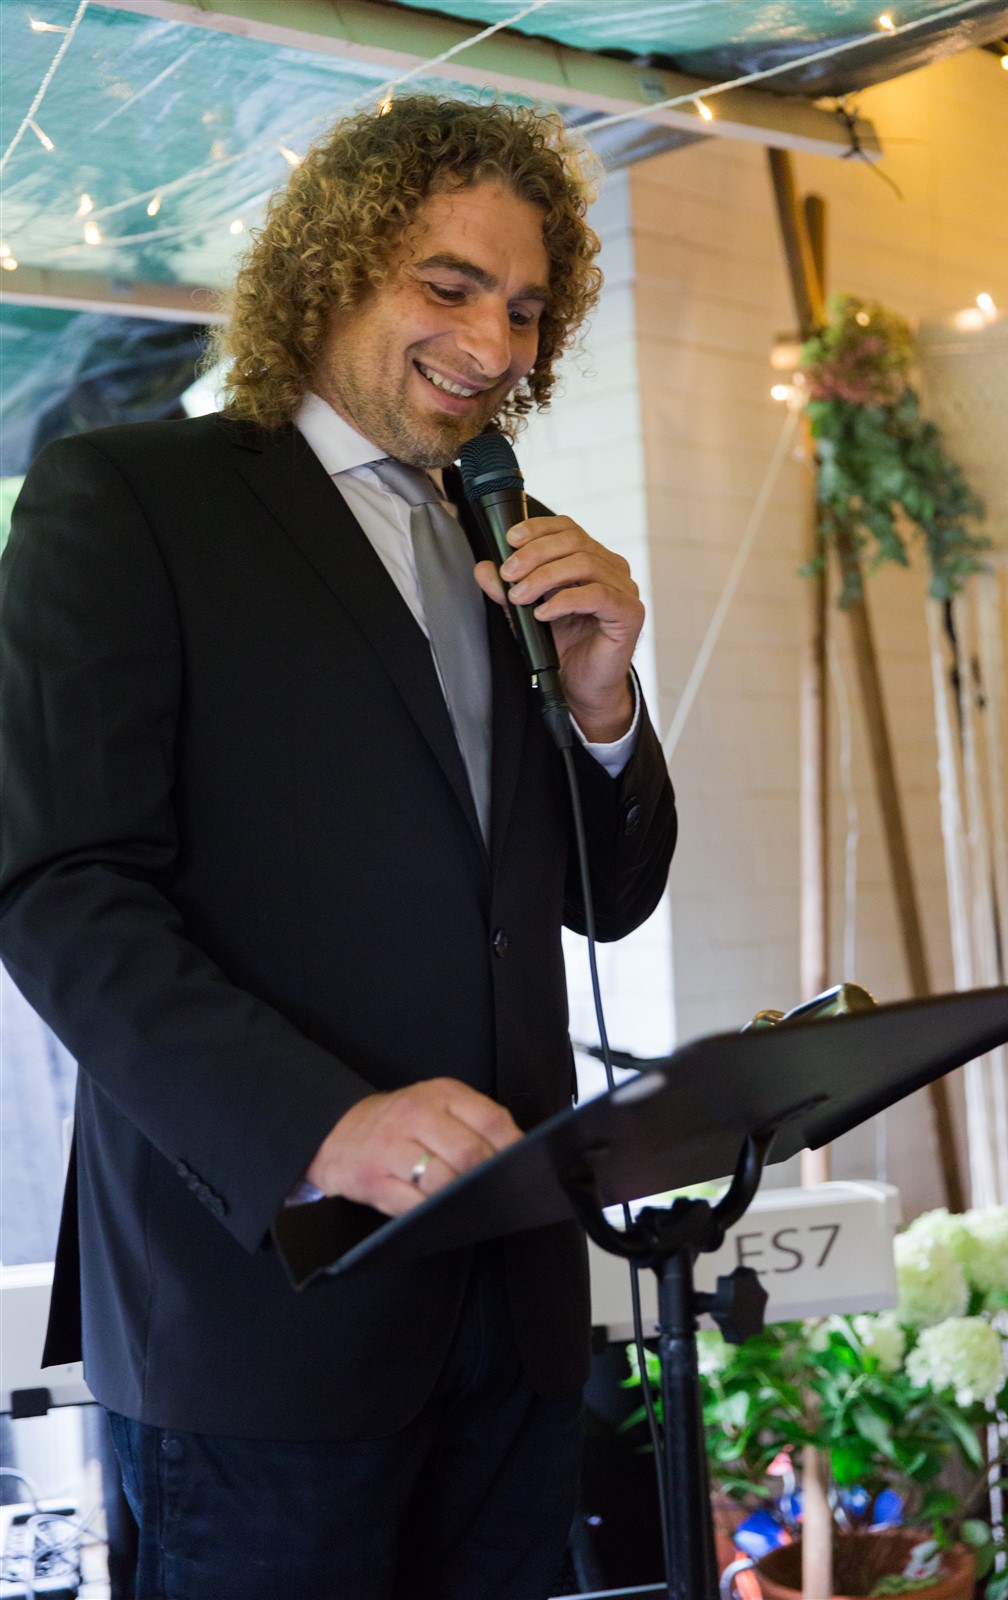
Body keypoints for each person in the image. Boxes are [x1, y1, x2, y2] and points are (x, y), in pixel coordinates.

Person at [0, 96, 676, 1599]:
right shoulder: (133, 498)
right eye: (450, 286)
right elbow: (61, 892)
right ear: (331, 269)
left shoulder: (514, 535)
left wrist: (602, 704)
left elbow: (609, 901)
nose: (495, 345)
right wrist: (321, 1124)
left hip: (513, 1320)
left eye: (526, 308)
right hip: (262, 1318)